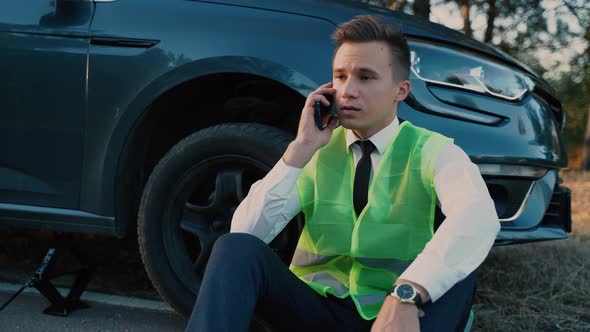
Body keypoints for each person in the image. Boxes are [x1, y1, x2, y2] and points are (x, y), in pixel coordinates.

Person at [184, 15, 500, 332]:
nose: (347, 91)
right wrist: (300, 149)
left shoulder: (435, 151)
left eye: (365, 77)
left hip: (398, 319)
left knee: (460, 275)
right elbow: (246, 235)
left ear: (401, 90)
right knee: (234, 248)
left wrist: (407, 293)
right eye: (340, 76)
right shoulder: (315, 150)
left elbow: (479, 218)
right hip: (318, 313)